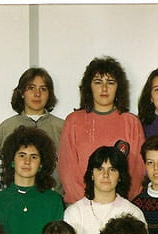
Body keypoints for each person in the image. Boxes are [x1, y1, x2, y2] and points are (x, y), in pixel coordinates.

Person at [59, 56, 146, 204]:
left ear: (119, 88)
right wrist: (88, 204)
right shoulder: (73, 121)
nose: (104, 88)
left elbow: (137, 171)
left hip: (121, 206)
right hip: (82, 206)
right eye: (98, 82)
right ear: (89, 86)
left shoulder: (131, 122)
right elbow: (68, 172)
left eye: (110, 82)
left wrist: (117, 202)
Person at [0, 126, 64, 234]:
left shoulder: (53, 201)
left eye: (34, 157)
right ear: (12, 161)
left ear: (41, 164)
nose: (27, 161)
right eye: (22, 155)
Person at [63, 146, 147, 234]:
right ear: (92, 174)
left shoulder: (133, 212)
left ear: (120, 176)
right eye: (100, 169)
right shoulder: (74, 213)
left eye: (112, 169)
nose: (105, 175)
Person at [0, 68, 65, 188]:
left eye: (43, 89)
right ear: (22, 93)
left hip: (54, 195)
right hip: (15, 195)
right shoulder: (6, 127)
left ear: (49, 94)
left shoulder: (62, 127)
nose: (37, 94)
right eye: (31, 88)